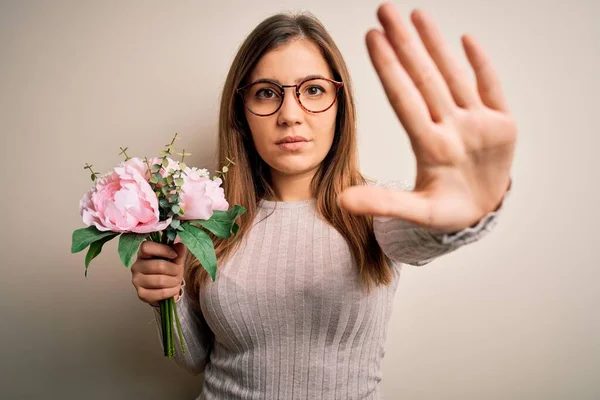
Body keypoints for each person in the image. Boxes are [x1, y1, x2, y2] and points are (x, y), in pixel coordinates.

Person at [131, 2, 515, 399]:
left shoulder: (376, 208)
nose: (290, 114)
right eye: (266, 93)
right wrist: (168, 296)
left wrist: (463, 215)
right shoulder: (207, 217)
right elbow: (194, 359)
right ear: (241, 113)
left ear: (340, 106)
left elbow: (419, 235)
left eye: (313, 89)